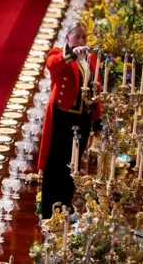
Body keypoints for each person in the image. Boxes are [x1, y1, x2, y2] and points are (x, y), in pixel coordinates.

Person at [38, 22, 102, 219]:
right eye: (77, 37)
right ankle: (49, 208)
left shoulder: (90, 58)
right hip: (62, 117)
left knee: (73, 164)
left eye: (84, 37)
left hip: (82, 118)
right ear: (68, 38)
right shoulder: (58, 54)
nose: (81, 41)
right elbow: (53, 65)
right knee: (56, 162)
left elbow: (95, 88)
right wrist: (72, 53)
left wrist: (97, 116)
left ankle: (66, 204)